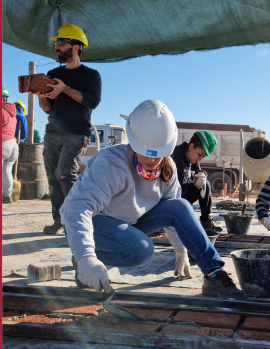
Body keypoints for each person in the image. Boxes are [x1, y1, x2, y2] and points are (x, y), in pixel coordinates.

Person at [60, 99, 245, 298]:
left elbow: (175, 214)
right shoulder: (111, 163)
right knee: (141, 249)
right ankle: (85, 261)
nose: (150, 160)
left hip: (129, 223)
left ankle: (213, 272)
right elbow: (76, 208)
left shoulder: (169, 168)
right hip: (96, 225)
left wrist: (180, 250)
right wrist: (85, 257)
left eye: (157, 155)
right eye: (145, 152)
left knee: (180, 205)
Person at [35, 23, 101, 234]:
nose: (57, 46)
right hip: (52, 133)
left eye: (61, 42)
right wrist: (41, 97)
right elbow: (47, 109)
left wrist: (65, 89)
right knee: (53, 178)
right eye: (56, 42)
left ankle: (79, 220)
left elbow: (92, 101)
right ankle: (59, 220)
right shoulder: (53, 73)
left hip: (76, 134)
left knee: (65, 174)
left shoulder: (91, 75)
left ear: (76, 46)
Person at [171, 131, 222, 232]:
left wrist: (202, 175)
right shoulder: (174, 157)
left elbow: (200, 171)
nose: (199, 159)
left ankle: (206, 220)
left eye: (202, 157)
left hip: (184, 198)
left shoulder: (193, 159)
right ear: (191, 146)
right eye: (199, 154)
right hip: (172, 200)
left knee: (206, 184)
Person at [2, 87, 19, 204]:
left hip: (3, 143)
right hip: (13, 145)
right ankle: (7, 196)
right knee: (7, 171)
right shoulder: (13, 113)